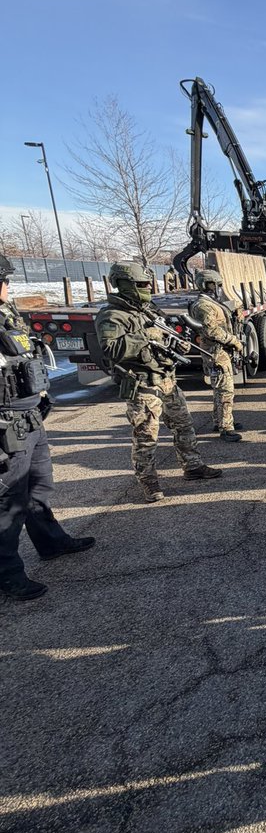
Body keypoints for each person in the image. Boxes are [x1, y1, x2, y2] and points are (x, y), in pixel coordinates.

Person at [0, 254, 94, 600]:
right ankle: (8, 574)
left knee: (39, 485)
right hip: (7, 425)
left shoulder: (5, 317)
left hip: (29, 416)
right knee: (9, 500)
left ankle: (51, 542)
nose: (8, 287)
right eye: (6, 280)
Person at [94, 262, 222, 503]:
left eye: (147, 284)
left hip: (166, 380)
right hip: (143, 385)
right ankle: (149, 482)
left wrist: (176, 342)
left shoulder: (147, 309)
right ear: (123, 285)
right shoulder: (112, 316)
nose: (146, 289)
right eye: (141, 285)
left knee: (184, 426)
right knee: (146, 437)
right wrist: (144, 336)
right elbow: (111, 349)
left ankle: (193, 466)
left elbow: (163, 335)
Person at [188, 269, 244, 442]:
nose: (219, 288)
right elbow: (212, 330)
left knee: (219, 388)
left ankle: (219, 420)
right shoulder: (203, 306)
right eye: (216, 284)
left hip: (220, 351)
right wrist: (233, 340)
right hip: (215, 352)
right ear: (207, 285)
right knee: (225, 390)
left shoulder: (211, 302)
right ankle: (226, 427)